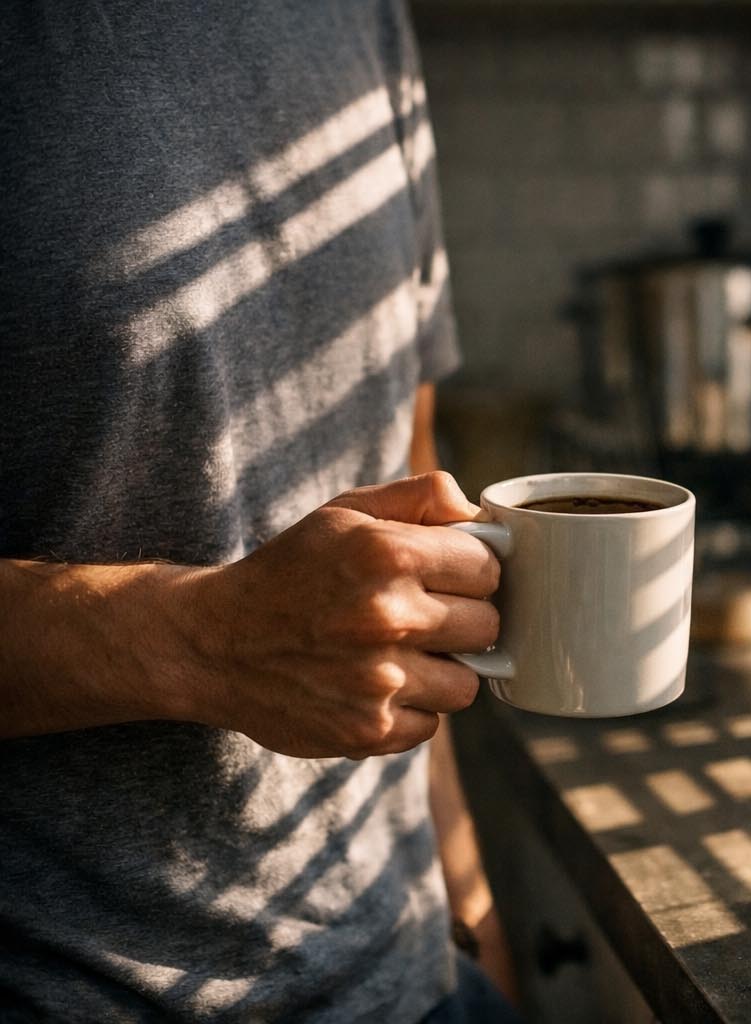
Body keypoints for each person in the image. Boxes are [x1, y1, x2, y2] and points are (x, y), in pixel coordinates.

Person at [0, 3, 519, 1020]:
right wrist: (204, 640)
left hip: (420, 982)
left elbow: (411, 523)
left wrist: (472, 915)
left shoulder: (366, 19)